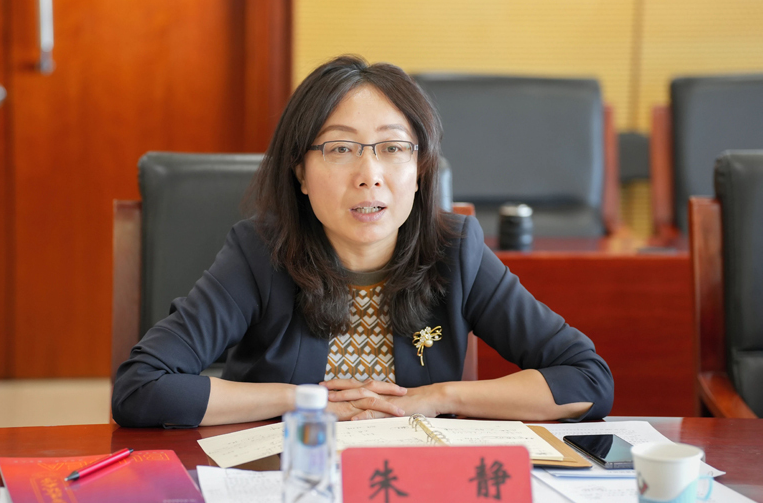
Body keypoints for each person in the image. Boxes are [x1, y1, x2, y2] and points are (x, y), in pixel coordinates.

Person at [112, 56, 613, 428]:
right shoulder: (259, 254)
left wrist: (438, 398)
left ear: (420, 170)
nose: (369, 175)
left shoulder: (455, 251)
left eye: (392, 148)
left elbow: (587, 379)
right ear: (300, 172)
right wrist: (303, 400)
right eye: (340, 148)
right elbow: (141, 387)